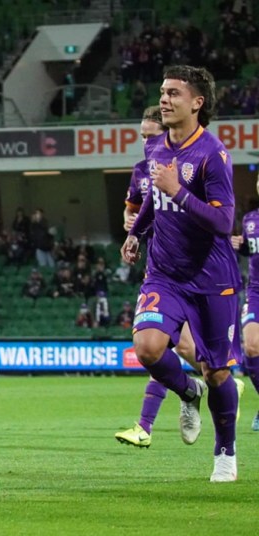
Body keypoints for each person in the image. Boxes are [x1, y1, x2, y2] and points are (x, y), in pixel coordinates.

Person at [121, 65, 240, 482]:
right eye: (163, 91)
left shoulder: (213, 154)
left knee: (218, 370)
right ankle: (189, 392)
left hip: (212, 278)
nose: (165, 98)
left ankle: (225, 452)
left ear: (197, 103)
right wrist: (136, 233)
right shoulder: (157, 150)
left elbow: (224, 223)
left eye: (174, 93)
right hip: (165, 273)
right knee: (149, 348)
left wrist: (178, 191)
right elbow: (153, 198)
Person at [230, 179, 259, 432]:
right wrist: (240, 246)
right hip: (256, 292)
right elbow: (251, 251)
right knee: (250, 347)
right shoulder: (250, 219)